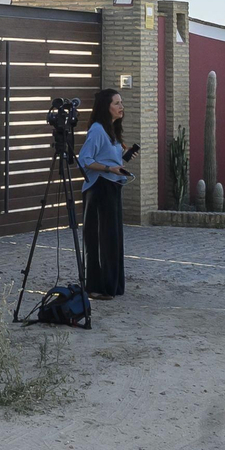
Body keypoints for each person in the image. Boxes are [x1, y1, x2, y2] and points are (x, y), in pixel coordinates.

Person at [78, 89, 133, 300]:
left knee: (112, 238)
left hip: (113, 188)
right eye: (117, 103)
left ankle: (112, 285)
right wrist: (109, 169)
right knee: (99, 238)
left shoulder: (112, 130)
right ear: (105, 107)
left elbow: (110, 159)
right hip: (99, 189)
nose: (121, 107)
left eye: (122, 102)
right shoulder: (97, 130)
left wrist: (123, 160)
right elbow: (85, 159)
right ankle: (95, 287)